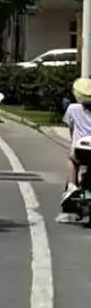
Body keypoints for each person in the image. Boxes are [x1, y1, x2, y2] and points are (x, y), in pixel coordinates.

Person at [59, 77, 91, 220]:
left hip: (80, 148)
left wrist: (74, 141)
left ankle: (72, 185)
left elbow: (71, 128)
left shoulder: (73, 109)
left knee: (72, 160)